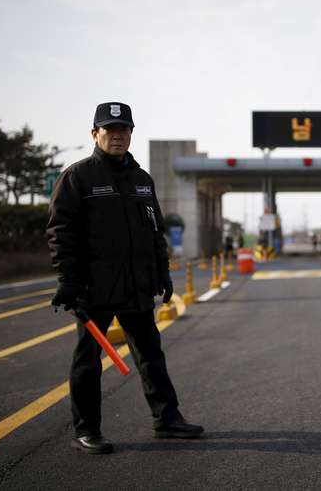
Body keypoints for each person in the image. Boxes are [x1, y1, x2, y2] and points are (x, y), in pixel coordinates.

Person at [47, 102, 203, 455]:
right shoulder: (78, 177)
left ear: (131, 134)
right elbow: (61, 232)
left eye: (124, 130)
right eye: (110, 129)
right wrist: (68, 281)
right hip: (93, 288)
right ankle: (87, 430)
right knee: (87, 362)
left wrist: (162, 273)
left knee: (151, 355)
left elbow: (154, 231)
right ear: (95, 133)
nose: (118, 136)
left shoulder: (141, 180)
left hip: (137, 286)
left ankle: (167, 419)